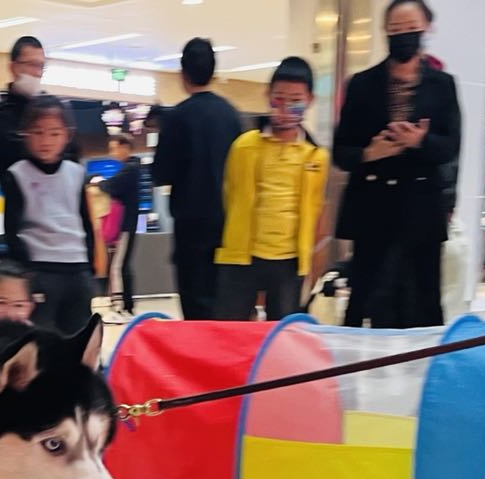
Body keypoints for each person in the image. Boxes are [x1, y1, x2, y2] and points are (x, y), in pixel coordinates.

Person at [331, 0, 460, 329]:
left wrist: (418, 142)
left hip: (421, 208)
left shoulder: (442, 85)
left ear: (426, 29)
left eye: (411, 29)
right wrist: (368, 154)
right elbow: (341, 151)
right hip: (373, 205)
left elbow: (450, 147)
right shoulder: (361, 84)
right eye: (395, 29)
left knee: (423, 297)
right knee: (365, 295)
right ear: (385, 32)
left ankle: (421, 369)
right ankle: (355, 371)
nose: (404, 36)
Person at [214, 58, 329, 322]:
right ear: (268, 95)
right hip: (241, 254)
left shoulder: (315, 157)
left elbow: (315, 210)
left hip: (289, 260)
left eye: (295, 100)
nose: (286, 107)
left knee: (283, 334)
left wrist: (313, 263)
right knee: (230, 328)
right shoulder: (244, 146)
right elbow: (230, 196)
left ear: (310, 99)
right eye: (279, 98)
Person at [152, 38, 242, 321]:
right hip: (228, 222)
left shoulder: (177, 117)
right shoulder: (232, 117)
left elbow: (160, 173)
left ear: (183, 73)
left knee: (194, 304)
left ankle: (197, 359)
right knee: (223, 301)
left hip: (190, 224)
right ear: (213, 72)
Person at [0, 96, 96, 336]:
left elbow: (85, 222)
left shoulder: (76, 173)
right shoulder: (18, 174)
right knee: (41, 338)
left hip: (76, 268)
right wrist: (25, 271)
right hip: (40, 269)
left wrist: (90, 265)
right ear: (25, 134)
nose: (46, 141)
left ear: (67, 135)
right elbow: (11, 229)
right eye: (38, 132)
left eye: (54, 133)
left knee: (78, 337)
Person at [0, 37, 78, 175]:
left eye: (41, 66)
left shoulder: (56, 109)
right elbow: (16, 154)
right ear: (13, 67)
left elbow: (73, 152)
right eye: (31, 65)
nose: (37, 72)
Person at [101, 132, 144, 319]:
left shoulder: (130, 169)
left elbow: (110, 186)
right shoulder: (131, 169)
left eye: (114, 148)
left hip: (126, 225)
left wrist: (96, 182)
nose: (112, 153)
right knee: (122, 265)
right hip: (126, 225)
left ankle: (121, 306)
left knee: (118, 266)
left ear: (125, 147)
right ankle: (126, 305)